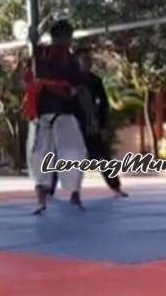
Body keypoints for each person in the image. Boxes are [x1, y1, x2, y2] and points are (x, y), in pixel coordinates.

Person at [25, 19, 95, 214]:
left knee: (73, 153)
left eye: (68, 38)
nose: (67, 41)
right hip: (48, 114)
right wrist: (33, 43)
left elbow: (81, 89)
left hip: (60, 112)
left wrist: (90, 116)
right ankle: (43, 199)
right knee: (44, 156)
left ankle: (73, 195)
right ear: (58, 37)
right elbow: (37, 74)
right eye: (64, 37)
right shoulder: (43, 54)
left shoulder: (69, 60)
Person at [49, 47, 127, 199]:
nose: (88, 63)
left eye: (90, 60)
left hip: (91, 125)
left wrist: (102, 124)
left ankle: (116, 187)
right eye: (85, 60)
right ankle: (50, 190)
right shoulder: (67, 81)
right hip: (72, 127)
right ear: (76, 62)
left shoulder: (95, 81)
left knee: (103, 157)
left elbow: (103, 103)